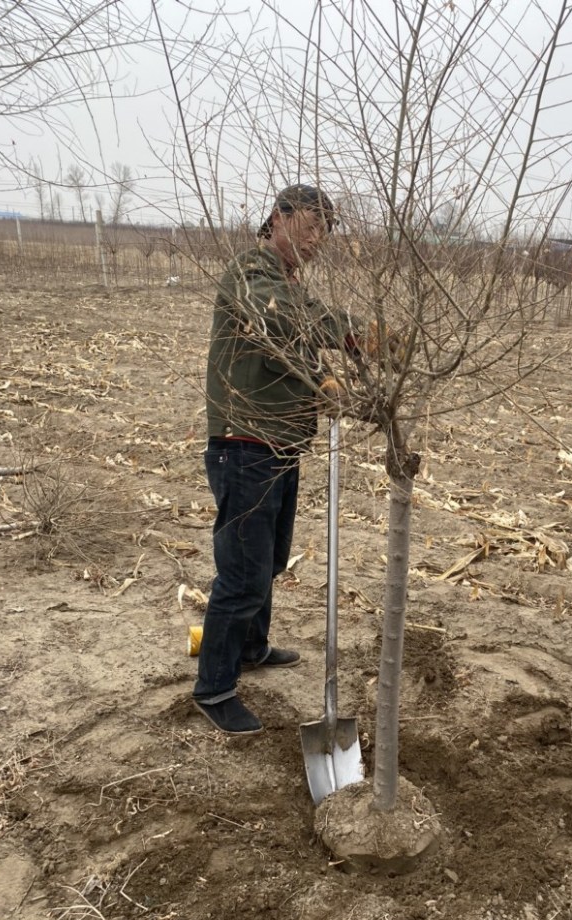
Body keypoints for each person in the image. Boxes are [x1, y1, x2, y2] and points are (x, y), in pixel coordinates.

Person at [192, 183, 366, 737]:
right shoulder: (253, 274)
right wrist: (331, 364)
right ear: (278, 218)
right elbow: (282, 324)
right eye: (310, 225)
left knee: (268, 560)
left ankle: (252, 647)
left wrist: (363, 339)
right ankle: (214, 688)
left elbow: (312, 317)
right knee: (242, 573)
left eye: (325, 232)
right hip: (244, 445)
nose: (317, 240)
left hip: (280, 444)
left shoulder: (292, 284)